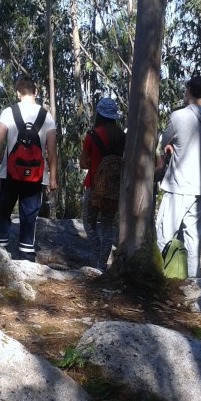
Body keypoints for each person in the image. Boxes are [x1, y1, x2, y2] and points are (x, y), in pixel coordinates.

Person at [155, 75, 201, 278]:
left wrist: (167, 147)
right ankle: (191, 280)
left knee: (164, 234)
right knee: (194, 238)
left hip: (179, 185)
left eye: (186, 89)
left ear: (190, 90)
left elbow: (163, 141)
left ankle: (159, 278)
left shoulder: (178, 116)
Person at [0, 75, 57, 262]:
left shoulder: (8, 112)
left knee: (3, 210)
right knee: (29, 214)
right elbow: (51, 149)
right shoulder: (47, 116)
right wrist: (52, 178)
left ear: (18, 93)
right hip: (36, 176)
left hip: (9, 173)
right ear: (35, 92)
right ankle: (27, 254)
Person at [79, 97, 125, 271]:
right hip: (114, 189)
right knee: (107, 226)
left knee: (89, 224)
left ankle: (95, 262)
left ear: (99, 114)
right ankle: (102, 265)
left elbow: (83, 163)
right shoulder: (122, 136)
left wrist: (93, 161)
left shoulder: (92, 136)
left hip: (94, 187)